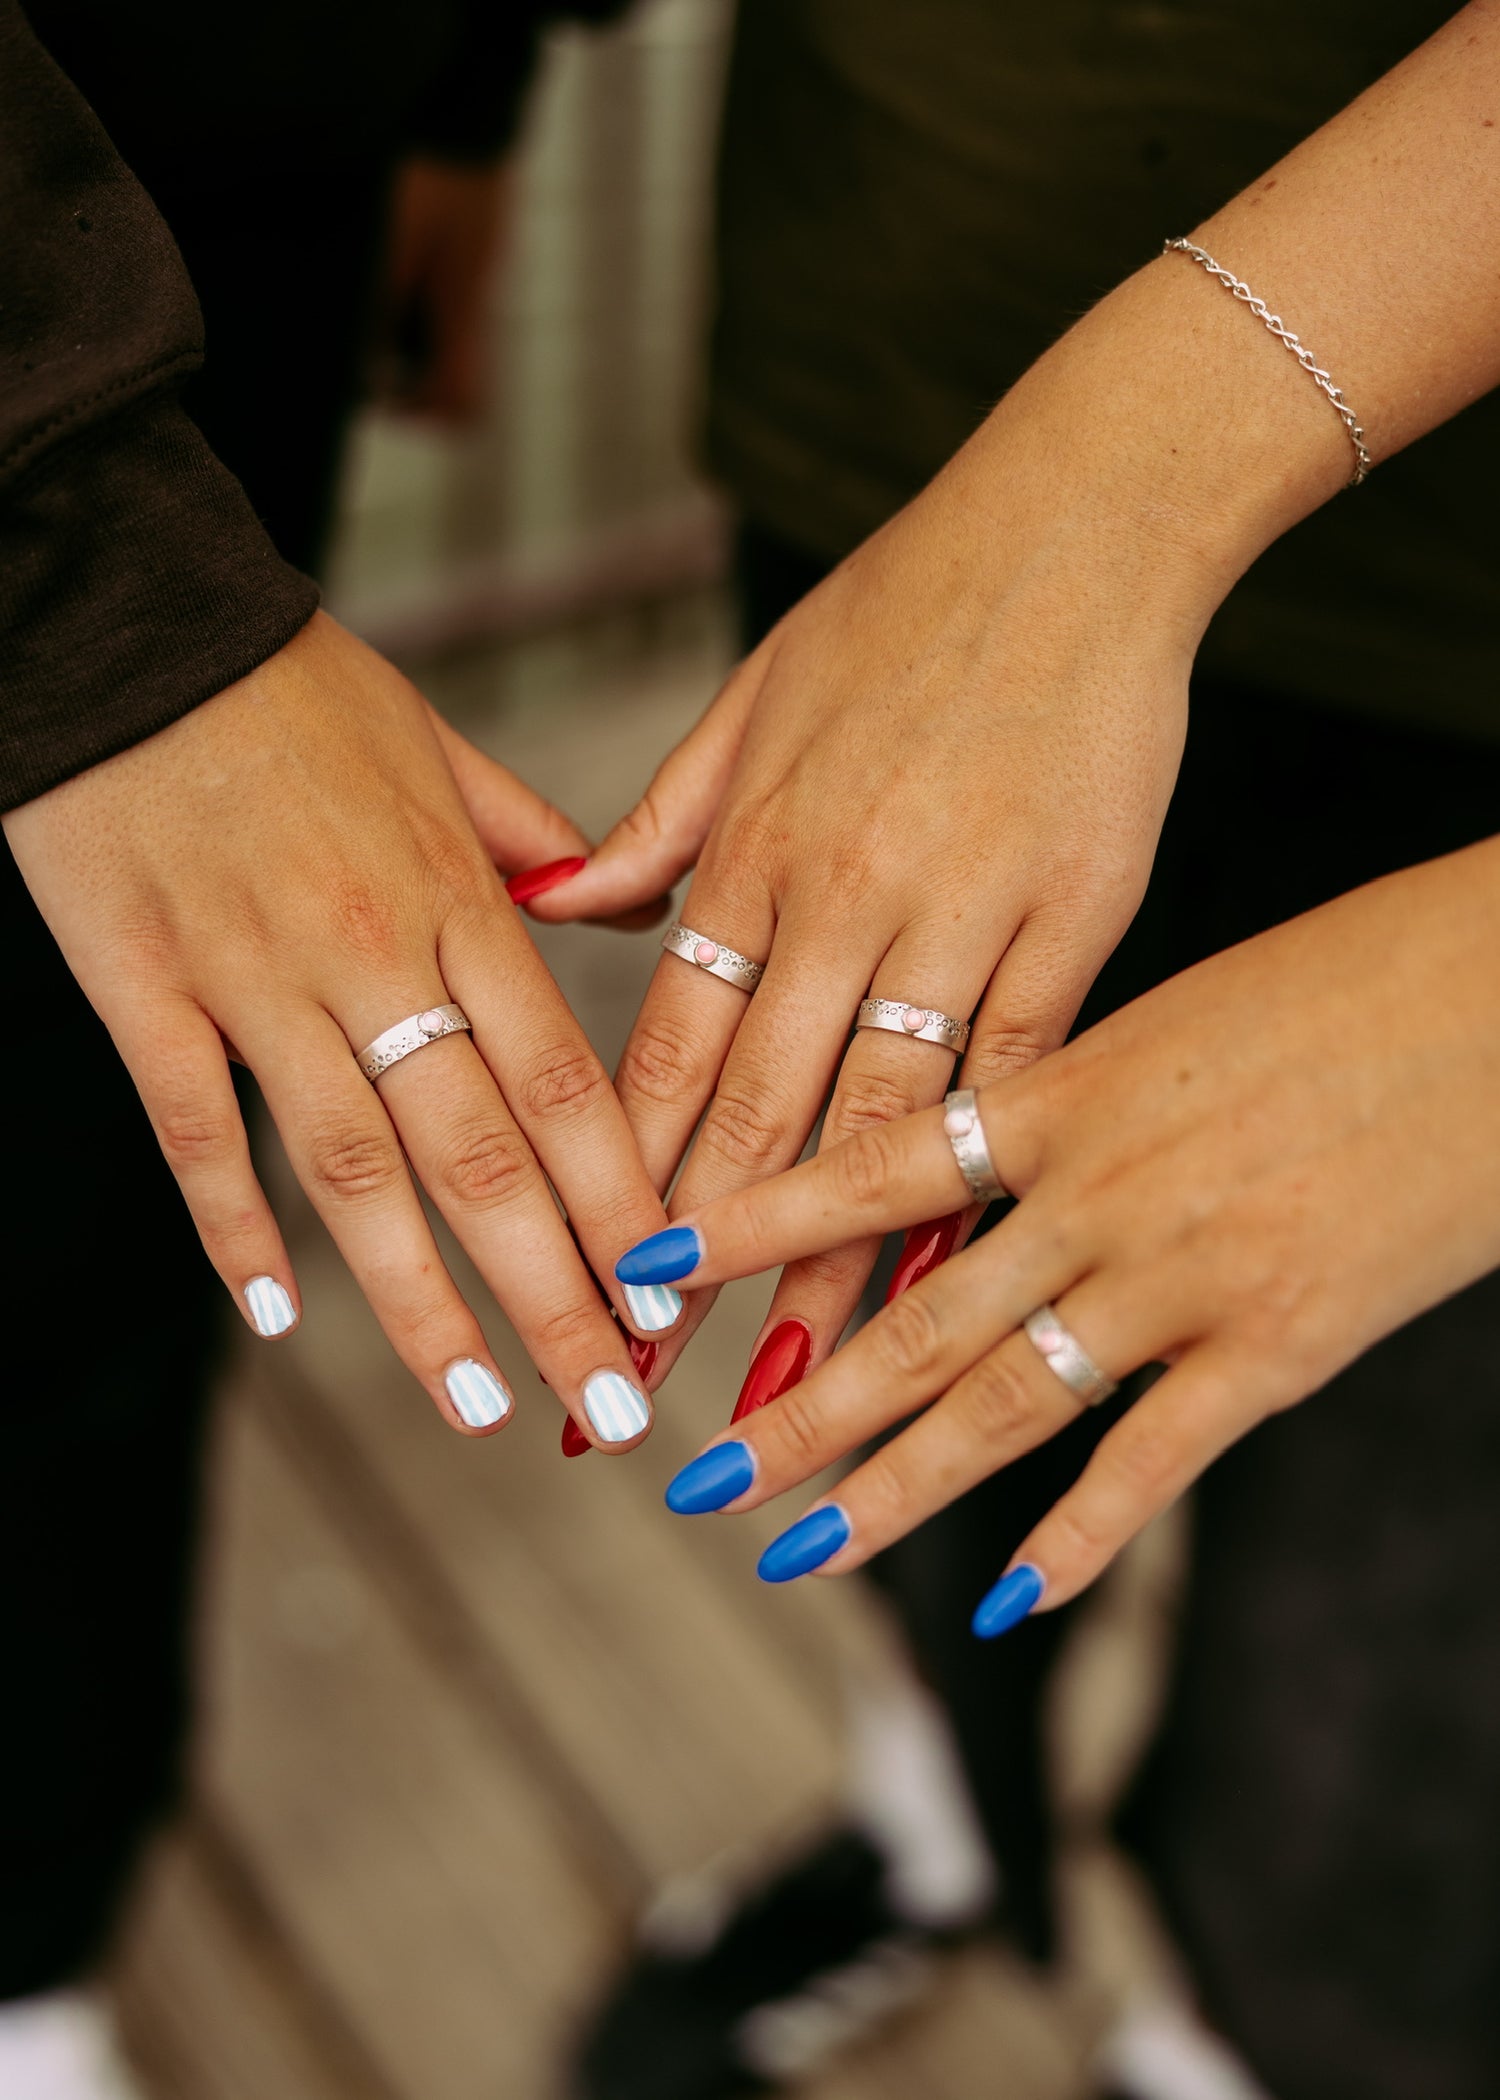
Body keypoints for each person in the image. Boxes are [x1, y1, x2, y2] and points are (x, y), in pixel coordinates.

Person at [548, 4, 1500, 2096]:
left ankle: (1272, 2020)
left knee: (1410, 1612)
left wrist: (1132, 458)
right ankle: (939, 1820)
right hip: (902, 408)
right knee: (907, 1353)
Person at [0, 5, 652, 2094]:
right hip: (65, 372)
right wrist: (90, 557)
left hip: (195, 166)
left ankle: (21, 1935)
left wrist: (460, 65)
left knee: (91, 1157)